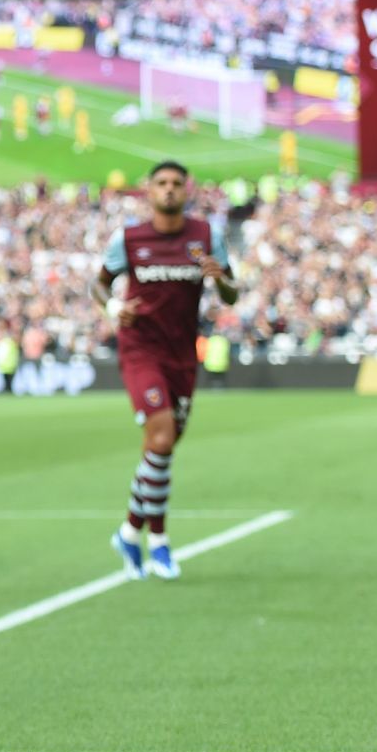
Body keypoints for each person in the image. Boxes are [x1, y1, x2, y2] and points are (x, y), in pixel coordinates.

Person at [91, 161, 238, 580]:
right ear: (149, 190)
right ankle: (159, 541)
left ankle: (130, 530)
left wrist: (220, 280)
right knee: (161, 435)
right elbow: (99, 284)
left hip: (182, 354)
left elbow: (232, 292)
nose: (170, 190)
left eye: (177, 184)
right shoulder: (130, 239)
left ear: (187, 190)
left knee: (163, 448)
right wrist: (115, 307)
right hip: (141, 349)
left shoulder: (206, 236)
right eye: (162, 183)